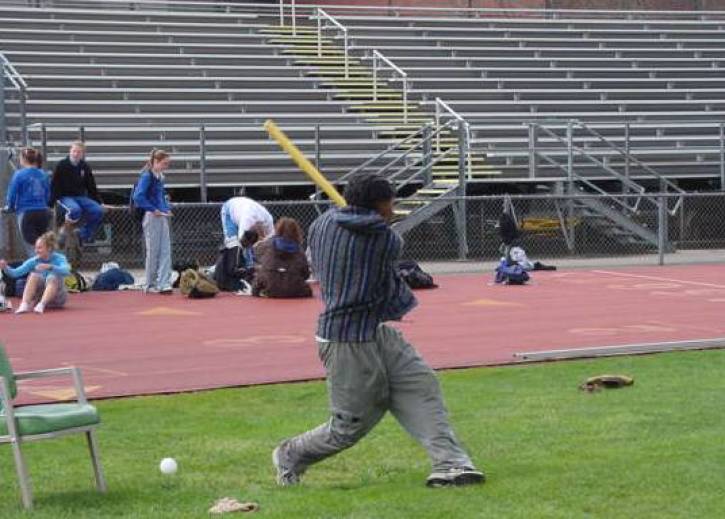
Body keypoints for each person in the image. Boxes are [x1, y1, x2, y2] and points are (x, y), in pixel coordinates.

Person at [272, 173, 485, 488]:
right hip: (346, 338)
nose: (394, 209)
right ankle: (290, 454)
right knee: (349, 426)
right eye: (391, 203)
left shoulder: (322, 224)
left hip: (374, 330)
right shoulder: (387, 240)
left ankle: (450, 464)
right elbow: (387, 279)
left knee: (419, 383)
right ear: (379, 205)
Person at [132, 149, 172, 294]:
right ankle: (150, 283)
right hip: (151, 215)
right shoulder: (147, 177)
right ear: (155, 162)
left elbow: (160, 196)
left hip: (161, 215)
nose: (166, 166)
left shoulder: (159, 177)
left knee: (165, 250)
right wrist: (153, 209)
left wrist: (165, 208)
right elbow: (138, 197)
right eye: (164, 163)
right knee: (153, 250)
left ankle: (163, 282)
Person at [0, 231, 70, 314]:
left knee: (52, 277)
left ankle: (42, 305)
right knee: (33, 275)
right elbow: (16, 273)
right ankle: (24, 304)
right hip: (38, 299)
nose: (36, 250)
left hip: (58, 298)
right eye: (36, 248)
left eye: (40, 248)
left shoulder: (59, 258)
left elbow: (66, 270)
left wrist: (50, 267)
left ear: (49, 248)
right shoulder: (33, 261)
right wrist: (5, 267)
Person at [51, 141, 104, 246]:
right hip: (65, 196)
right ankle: (64, 230)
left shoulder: (85, 167)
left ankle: (82, 234)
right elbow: (54, 184)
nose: (76, 154)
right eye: (74, 151)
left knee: (98, 210)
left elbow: (91, 186)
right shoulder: (61, 165)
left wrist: (100, 202)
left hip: (80, 196)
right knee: (75, 210)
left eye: (79, 152)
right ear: (70, 151)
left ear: (82, 154)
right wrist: (51, 202)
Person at [2, 147, 50, 257]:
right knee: (42, 244)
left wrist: (10, 207)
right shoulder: (43, 174)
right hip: (43, 212)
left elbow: (12, 194)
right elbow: (48, 194)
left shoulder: (19, 175)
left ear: (24, 159)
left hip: (26, 212)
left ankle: (38, 271)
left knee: (32, 248)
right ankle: (46, 268)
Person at [251, 217, 312, 298]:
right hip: (294, 289)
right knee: (308, 290)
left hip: (271, 288)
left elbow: (257, 258)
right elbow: (306, 274)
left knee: (262, 272)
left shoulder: (269, 245)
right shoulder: (299, 250)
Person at [220, 195, 274, 269]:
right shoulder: (247, 221)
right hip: (230, 211)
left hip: (244, 208)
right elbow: (242, 243)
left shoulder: (268, 220)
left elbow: (271, 241)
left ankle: (250, 265)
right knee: (233, 246)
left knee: (253, 248)